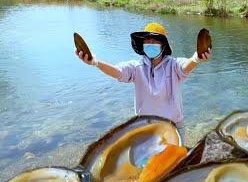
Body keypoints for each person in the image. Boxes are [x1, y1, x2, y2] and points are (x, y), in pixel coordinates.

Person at [75, 22, 211, 143]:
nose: (150, 44)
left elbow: (186, 66)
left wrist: (196, 59)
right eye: (147, 41)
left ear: (163, 45)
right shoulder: (136, 67)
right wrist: (96, 63)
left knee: (176, 164)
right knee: (146, 166)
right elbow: (117, 72)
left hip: (173, 125)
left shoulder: (173, 65)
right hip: (145, 127)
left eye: (154, 41)